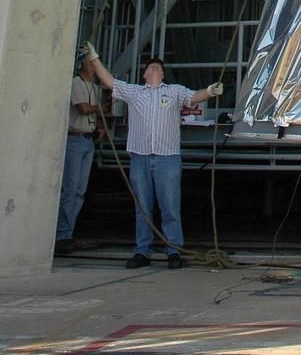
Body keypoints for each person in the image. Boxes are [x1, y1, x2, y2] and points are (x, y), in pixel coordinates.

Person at [84, 41, 223, 269]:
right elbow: (109, 81)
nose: (155, 68)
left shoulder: (174, 91)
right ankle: (142, 251)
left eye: (159, 67)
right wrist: (94, 58)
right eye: (151, 67)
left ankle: (174, 250)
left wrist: (209, 91)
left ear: (163, 74)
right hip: (140, 156)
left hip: (167, 157)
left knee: (170, 206)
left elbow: (194, 97)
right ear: (145, 74)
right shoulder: (135, 92)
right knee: (143, 206)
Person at [54, 53, 102, 256]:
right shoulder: (76, 83)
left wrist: (99, 126)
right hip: (75, 138)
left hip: (88, 139)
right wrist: (101, 108)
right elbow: (82, 108)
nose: (93, 66)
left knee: (80, 190)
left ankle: (68, 233)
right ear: (82, 64)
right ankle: (60, 235)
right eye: (90, 62)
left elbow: (93, 112)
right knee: (70, 189)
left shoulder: (95, 87)